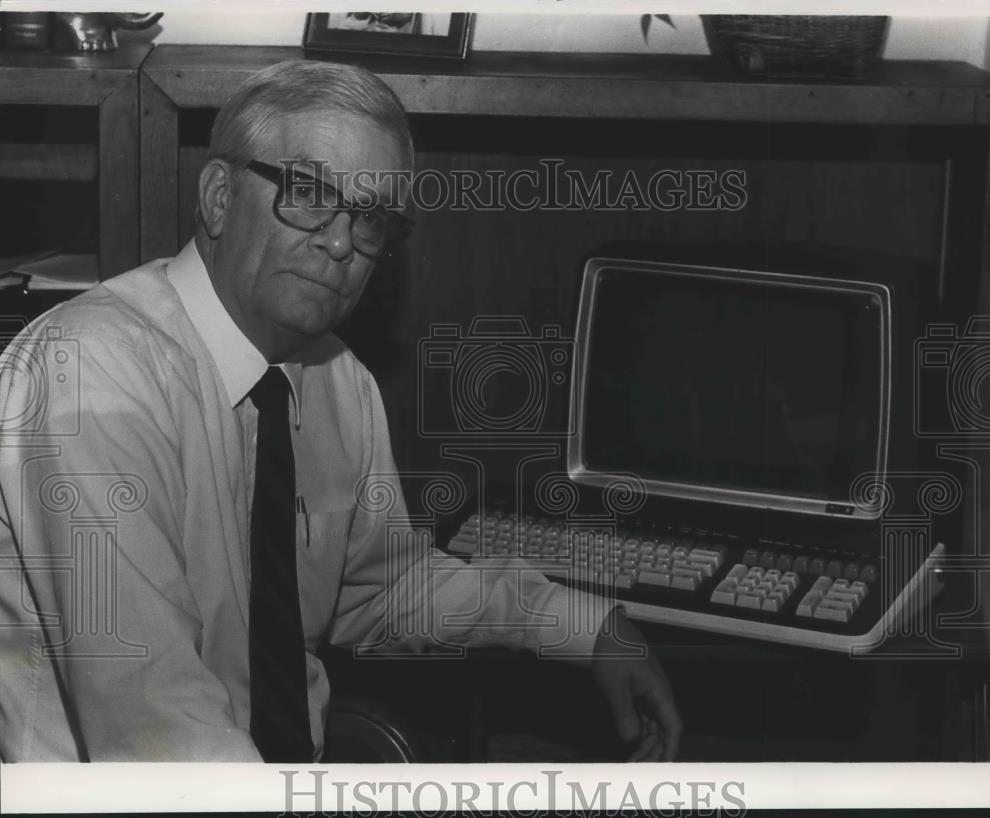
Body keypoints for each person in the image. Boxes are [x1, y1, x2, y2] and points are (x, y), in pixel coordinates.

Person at [0, 60, 681, 762]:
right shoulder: (89, 371)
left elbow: (383, 588)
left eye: (370, 218)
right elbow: (157, 724)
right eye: (307, 193)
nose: (337, 242)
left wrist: (585, 626)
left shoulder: (337, 383)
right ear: (219, 198)